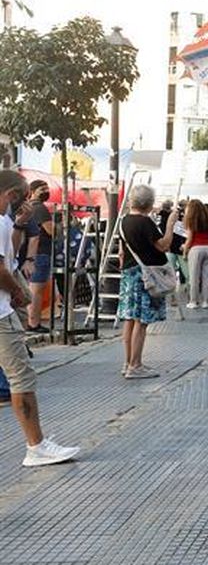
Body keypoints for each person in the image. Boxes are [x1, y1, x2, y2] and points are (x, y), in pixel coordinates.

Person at [0, 171, 78, 465]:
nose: (28, 199)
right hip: (1, 313)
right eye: (22, 194)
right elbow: (1, 270)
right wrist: (19, 294)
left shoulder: (6, 222)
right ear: (10, 195)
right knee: (21, 377)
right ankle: (36, 445)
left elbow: (11, 254)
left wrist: (19, 224)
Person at [119, 184, 178, 379]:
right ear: (150, 203)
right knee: (141, 322)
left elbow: (121, 253)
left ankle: (128, 362)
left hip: (129, 273)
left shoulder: (124, 221)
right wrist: (170, 226)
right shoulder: (146, 223)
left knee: (129, 319)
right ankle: (136, 365)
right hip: (145, 275)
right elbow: (163, 245)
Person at [21, 180, 54, 333]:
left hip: (32, 253)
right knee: (36, 290)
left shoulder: (27, 207)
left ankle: (31, 321)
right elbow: (51, 231)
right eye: (42, 189)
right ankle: (33, 323)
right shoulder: (40, 208)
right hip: (41, 253)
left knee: (32, 288)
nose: (46, 191)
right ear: (33, 191)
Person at [182, 199, 208, 310]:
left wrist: (185, 251)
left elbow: (190, 238)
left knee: (194, 276)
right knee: (207, 276)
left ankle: (193, 301)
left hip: (195, 249)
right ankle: (206, 301)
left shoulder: (191, 220)